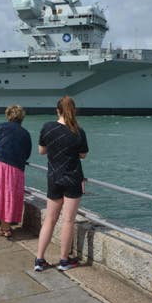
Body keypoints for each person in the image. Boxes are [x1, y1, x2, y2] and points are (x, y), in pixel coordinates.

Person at [34, 96, 89, 272]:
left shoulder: (47, 127)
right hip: (72, 178)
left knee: (49, 219)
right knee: (68, 220)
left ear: (57, 110)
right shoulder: (78, 131)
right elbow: (83, 155)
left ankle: (39, 259)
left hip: (53, 178)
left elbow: (41, 151)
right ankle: (64, 260)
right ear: (73, 111)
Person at [0, 105, 32, 238]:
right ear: (22, 117)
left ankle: (3, 227)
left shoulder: (0, 127)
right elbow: (27, 153)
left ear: (8, 115)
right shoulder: (25, 133)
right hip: (15, 166)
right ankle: (6, 228)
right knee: (9, 196)